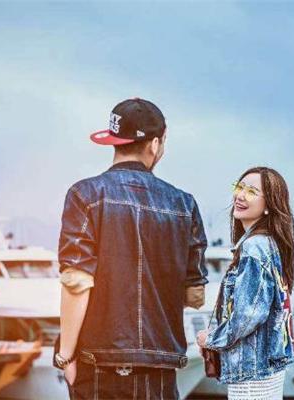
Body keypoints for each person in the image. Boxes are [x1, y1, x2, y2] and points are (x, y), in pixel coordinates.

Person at [54, 98, 209, 400]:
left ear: (113, 140)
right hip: (160, 369)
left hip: (98, 366)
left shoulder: (85, 194)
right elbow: (194, 295)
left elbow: (76, 283)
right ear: (155, 144)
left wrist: (66, 355)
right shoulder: (184, 204)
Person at [196, 166, 294, 400]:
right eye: (239, 187)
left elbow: (248, 315)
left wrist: (211, 339)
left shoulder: (254, 247)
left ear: (269, 205)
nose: (240, 195)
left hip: (252, 371)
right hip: (267, 365)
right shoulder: (271, 244)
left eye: (251, 191)